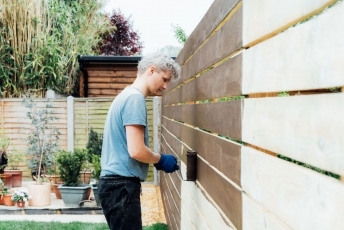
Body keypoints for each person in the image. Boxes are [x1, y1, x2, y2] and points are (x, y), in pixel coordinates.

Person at [98, 52, 181, 230]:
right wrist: (160, 159)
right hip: (121, 186)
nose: (165, 86)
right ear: (151, 70)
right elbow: (136, 150)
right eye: (165, 79)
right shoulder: (134, 99)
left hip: (116, 186)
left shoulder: (126, 96)